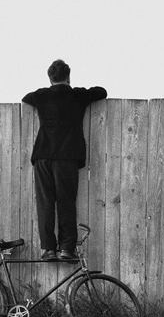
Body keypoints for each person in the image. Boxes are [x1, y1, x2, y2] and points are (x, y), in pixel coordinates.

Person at [23, 59, 107, 261]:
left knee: (45, 203)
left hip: (43, 154)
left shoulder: (41, 95)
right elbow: (102, 92)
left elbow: (26, 98)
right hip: (67, 156)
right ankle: (66, 249)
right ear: (69, 76)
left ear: (50, 78)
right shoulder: (77, 95)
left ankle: (48, 249)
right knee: (66, 202)